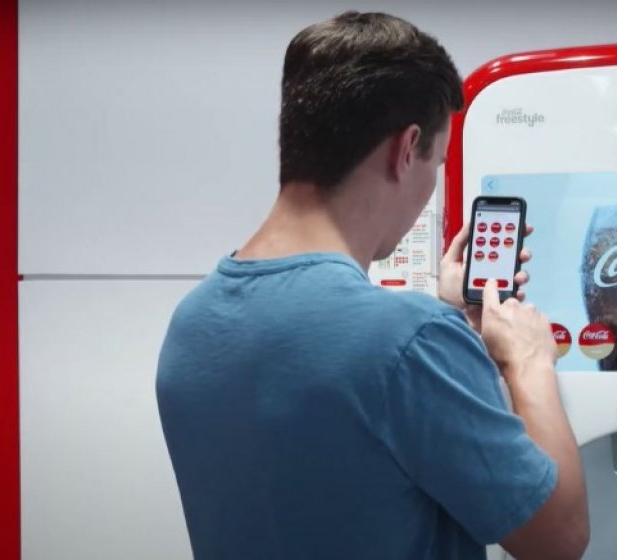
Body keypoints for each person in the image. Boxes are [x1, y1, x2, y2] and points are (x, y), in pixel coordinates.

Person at [156, 11, 588, 560]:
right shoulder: (410, 342)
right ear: (406, 150)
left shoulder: (192, 322)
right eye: (436, 159)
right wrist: (529, 362)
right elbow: (560, 538)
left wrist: (443, 319)